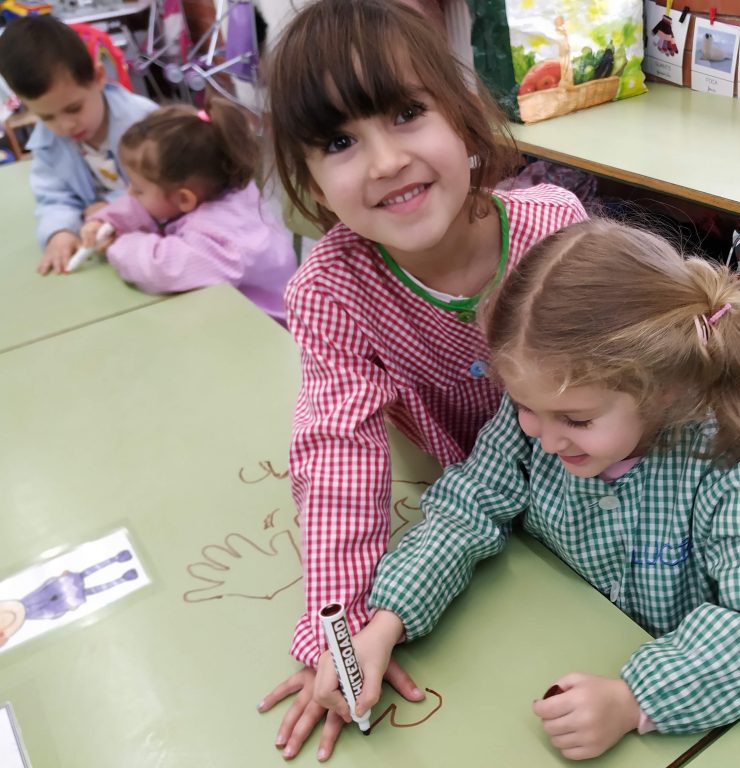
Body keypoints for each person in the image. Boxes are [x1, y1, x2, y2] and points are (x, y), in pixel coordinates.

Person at [339, 219, 740, 759]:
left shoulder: (720, 458)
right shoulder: (539, 416)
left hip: (680, 690)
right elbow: (468, 506)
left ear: (665, 392)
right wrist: (388, 619)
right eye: (524, 406)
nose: (544, 439)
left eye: (577, 420)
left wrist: (635, 700)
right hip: (546, 642)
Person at [256, 0, 587, 759]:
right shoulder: (330, 291)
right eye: (339, 141)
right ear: (310, 182)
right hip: (461, 515)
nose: (384, 162)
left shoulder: (555, 229)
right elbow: (337, 457)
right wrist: (338, 635)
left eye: (407, 114)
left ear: (464, 117)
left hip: (589, 504)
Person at [80, 101, 295, 323]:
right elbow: (148, 206)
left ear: (184, 198)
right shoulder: (222, 186)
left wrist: (120, 242)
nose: (130, 193)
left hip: (267, 328)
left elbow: (162, 268)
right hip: (229, 317)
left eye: (138, 189)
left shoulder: (221, 240)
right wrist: (109, 221)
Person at [0, 15, 157, 275]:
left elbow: (166, 187)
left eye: (73, 108)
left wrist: (111, 209)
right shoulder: (48, 142)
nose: (66, 126)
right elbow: (53, 196)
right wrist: (59, 231)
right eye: (47, 117)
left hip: (155, 241)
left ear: (98, 77)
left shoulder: (146, 123)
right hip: (104, 250)